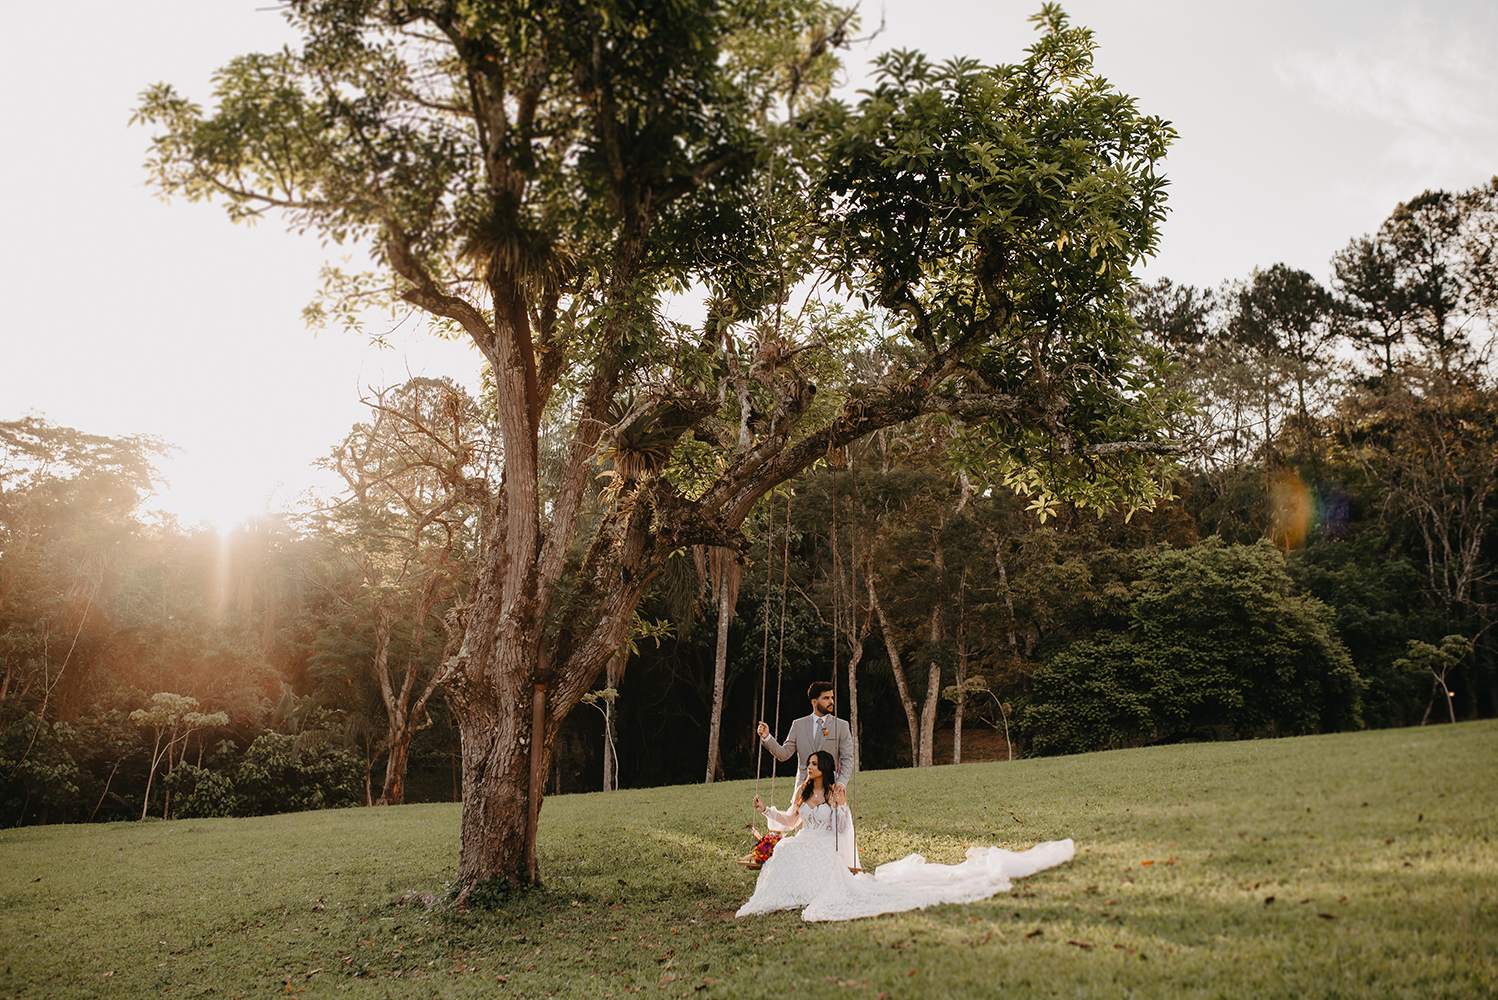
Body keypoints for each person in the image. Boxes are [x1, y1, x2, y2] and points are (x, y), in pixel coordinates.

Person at [735, 751, 1075, 922]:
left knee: (811, 861)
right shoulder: (802, 792)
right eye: (807, 764)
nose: (808, 767)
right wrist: (767, 810)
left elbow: (841, 832)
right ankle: (783, 895)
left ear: (824, 766)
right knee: (788, 852)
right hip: (803, 841)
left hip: (824, 846)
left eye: (812, 764)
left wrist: (840, 806)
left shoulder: (834, 793)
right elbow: (791, 821)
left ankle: (810, 890)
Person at [757, 681, 856, 794]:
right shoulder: (798, 725)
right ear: (814, 702)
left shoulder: (841, 726)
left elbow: (847, 758)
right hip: (803, 789)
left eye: (832, 697)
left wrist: (841, 782)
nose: (831, 702)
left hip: (831, 788)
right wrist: (767, 737)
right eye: (826, 698)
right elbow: (783, 754)